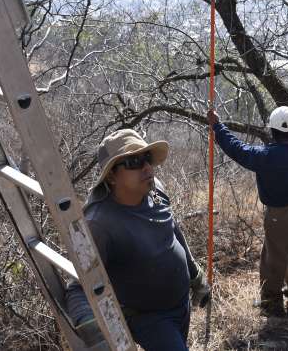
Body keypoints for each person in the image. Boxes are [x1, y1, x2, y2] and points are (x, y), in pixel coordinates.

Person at [65, 129, 210, 351]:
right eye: (133, 161)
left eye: (147, 158)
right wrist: (97, 336)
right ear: (111, 176)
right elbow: (77, 287)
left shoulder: (155, 190)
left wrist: (194, 275)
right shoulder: (99, 223)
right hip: (149, 318)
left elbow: (172, 230)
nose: (146, 168)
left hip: (180, 304)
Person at [207, 106, 288, 318]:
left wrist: (218, 127)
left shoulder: (264, 156)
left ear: (272, 131)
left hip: (279, 215)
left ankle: (271, 303)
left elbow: (236, 148)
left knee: (273, 258)